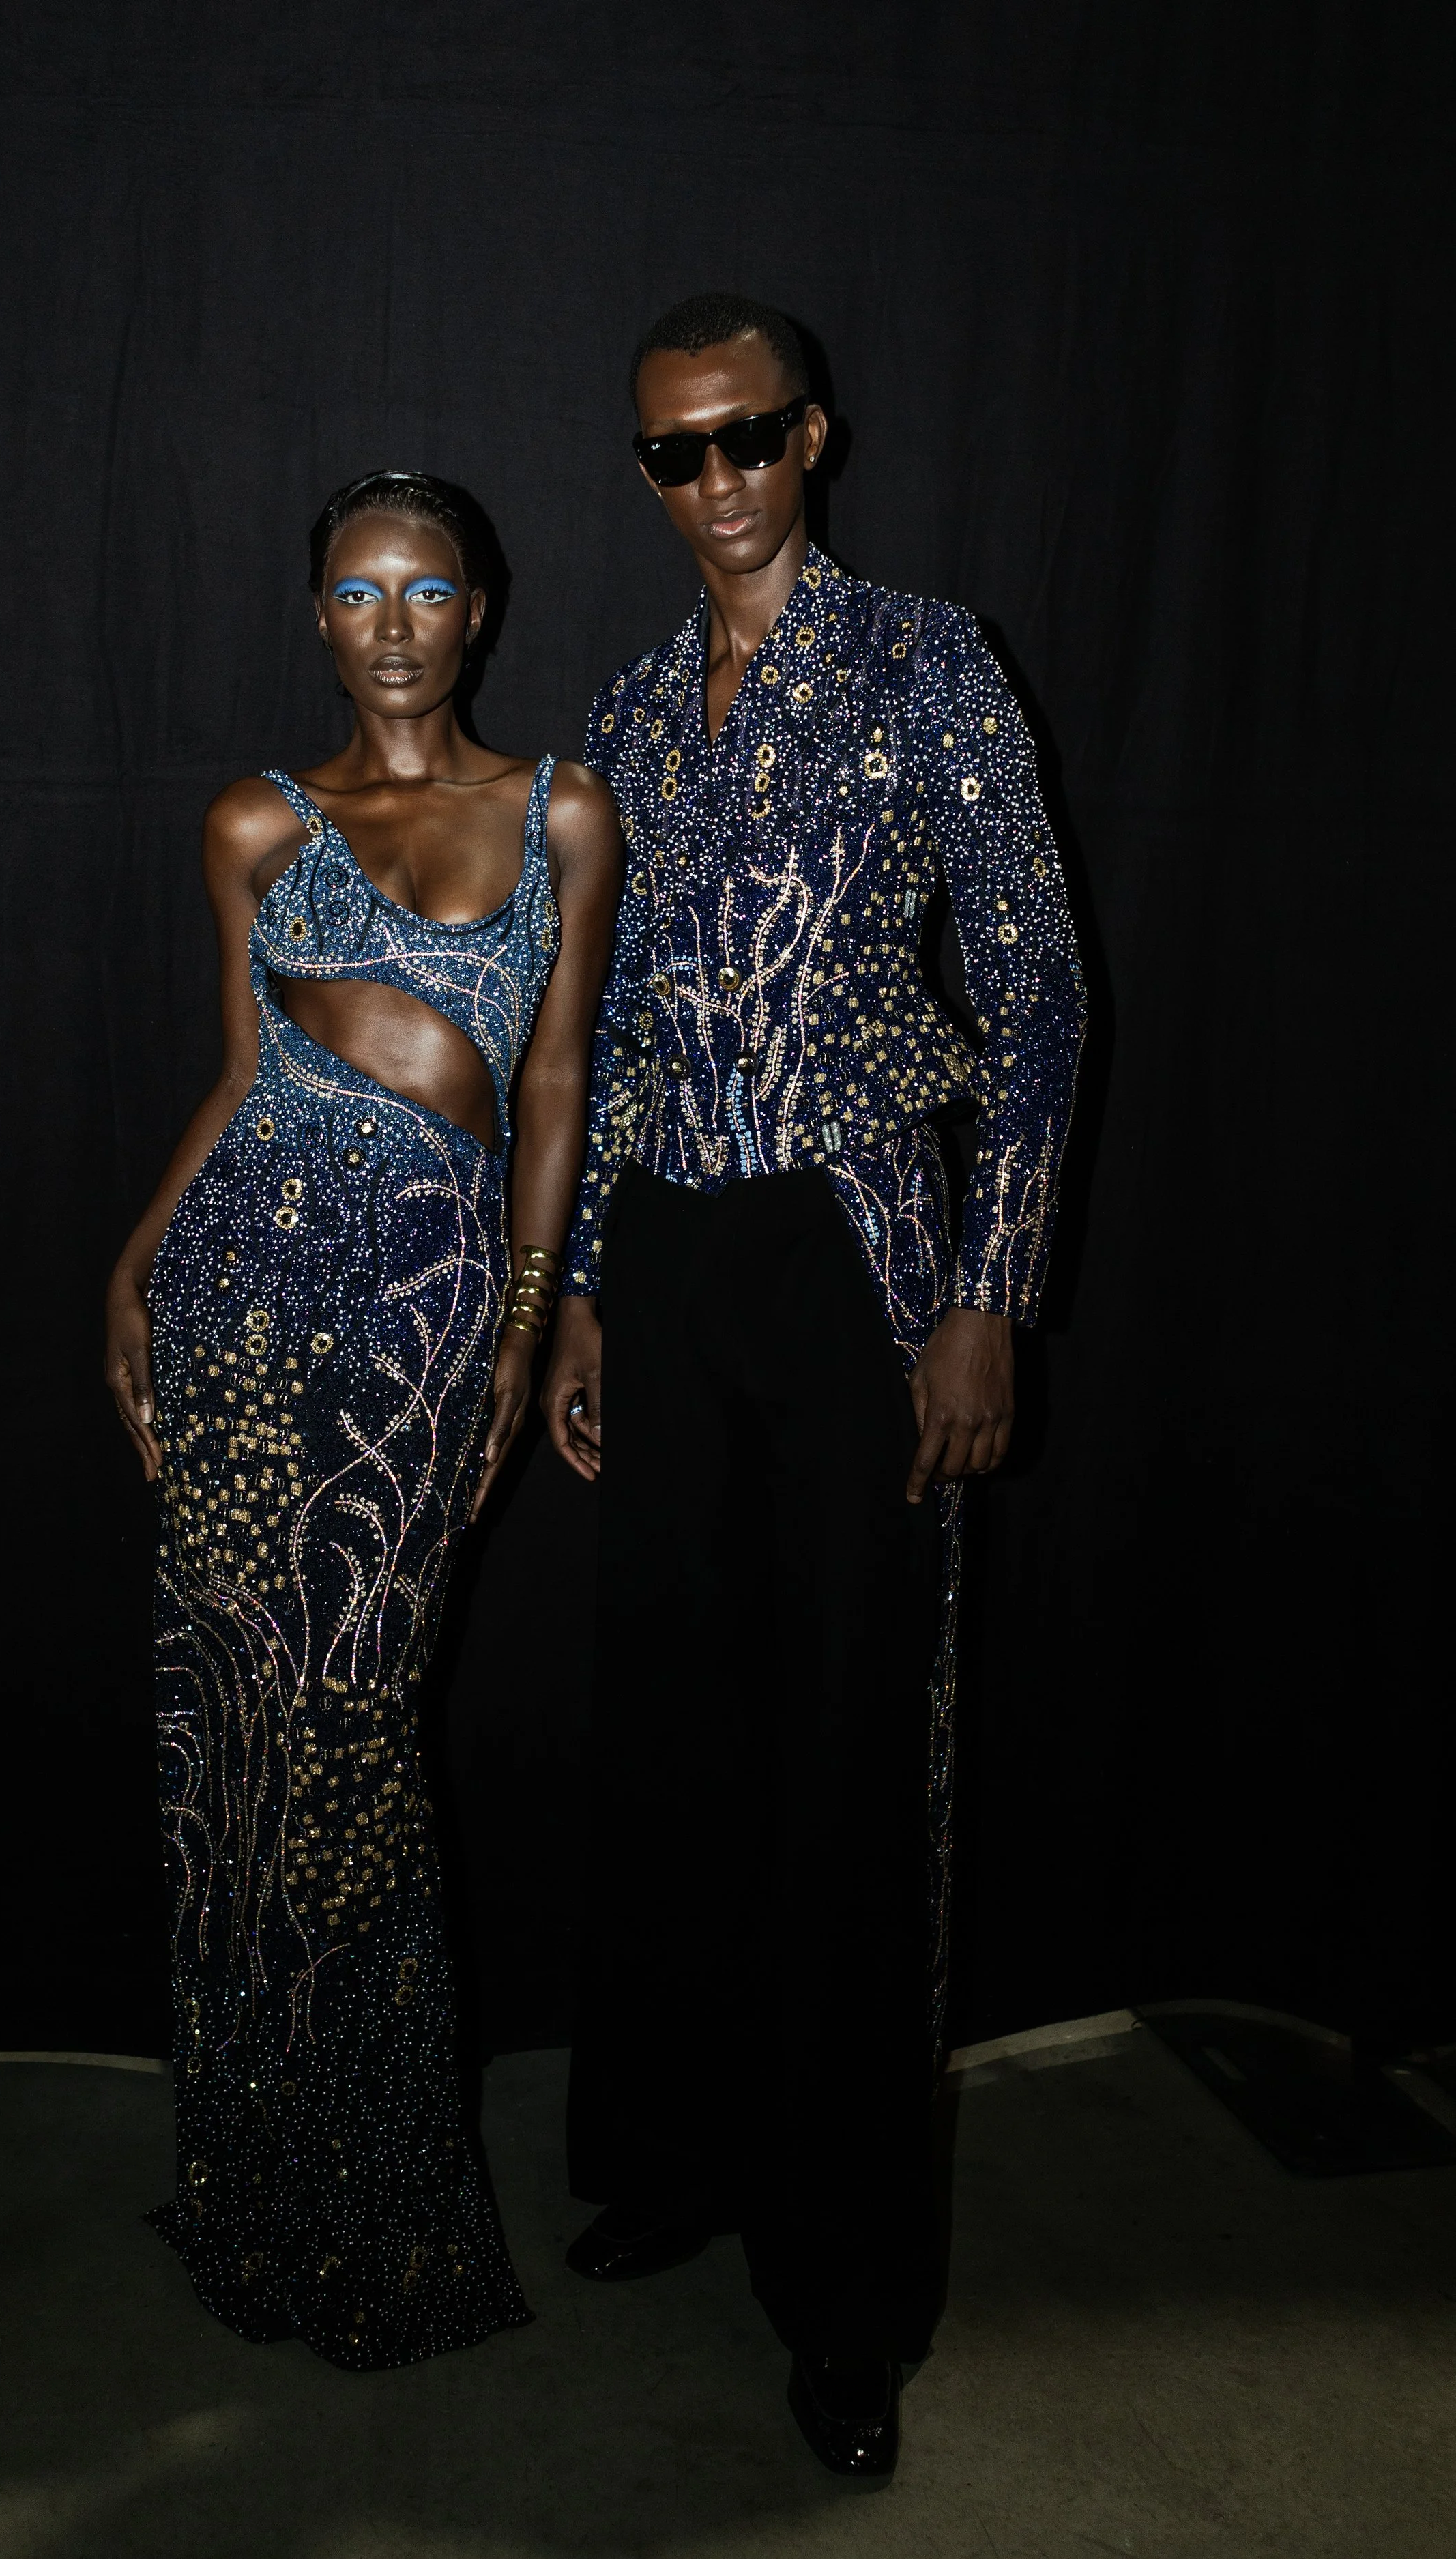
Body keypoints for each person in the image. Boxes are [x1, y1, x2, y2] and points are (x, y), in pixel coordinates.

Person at [541, 296, 1086, 2481]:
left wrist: (989, 1284)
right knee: (672, 1728)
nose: (720, 479)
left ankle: (845, 2292)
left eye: (749, 436)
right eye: (676, 452)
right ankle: (678, 2154)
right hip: (665, 1248)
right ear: (649, 472)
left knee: (853, 1761)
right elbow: (603, 1034)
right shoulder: (622, 706)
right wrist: (575, 1287)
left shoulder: (928, 661)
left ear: (813, 434)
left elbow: (1039, 981)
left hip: (858, 1253)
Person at [104, 470, 621, 2370]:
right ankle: (259, 2181)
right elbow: (240, 1069)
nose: (392, 620)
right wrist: (133, 1260)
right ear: (317, 616)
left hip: (421, 1322)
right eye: (354, 588)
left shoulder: (562, 808)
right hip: (240, 1299)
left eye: (426, 588)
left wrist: (531, 1303)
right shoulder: (258, 816)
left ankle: (379, 2204)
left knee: (351, 1723)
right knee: (241, 1741)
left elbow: (557, 1073)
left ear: (477, 609)